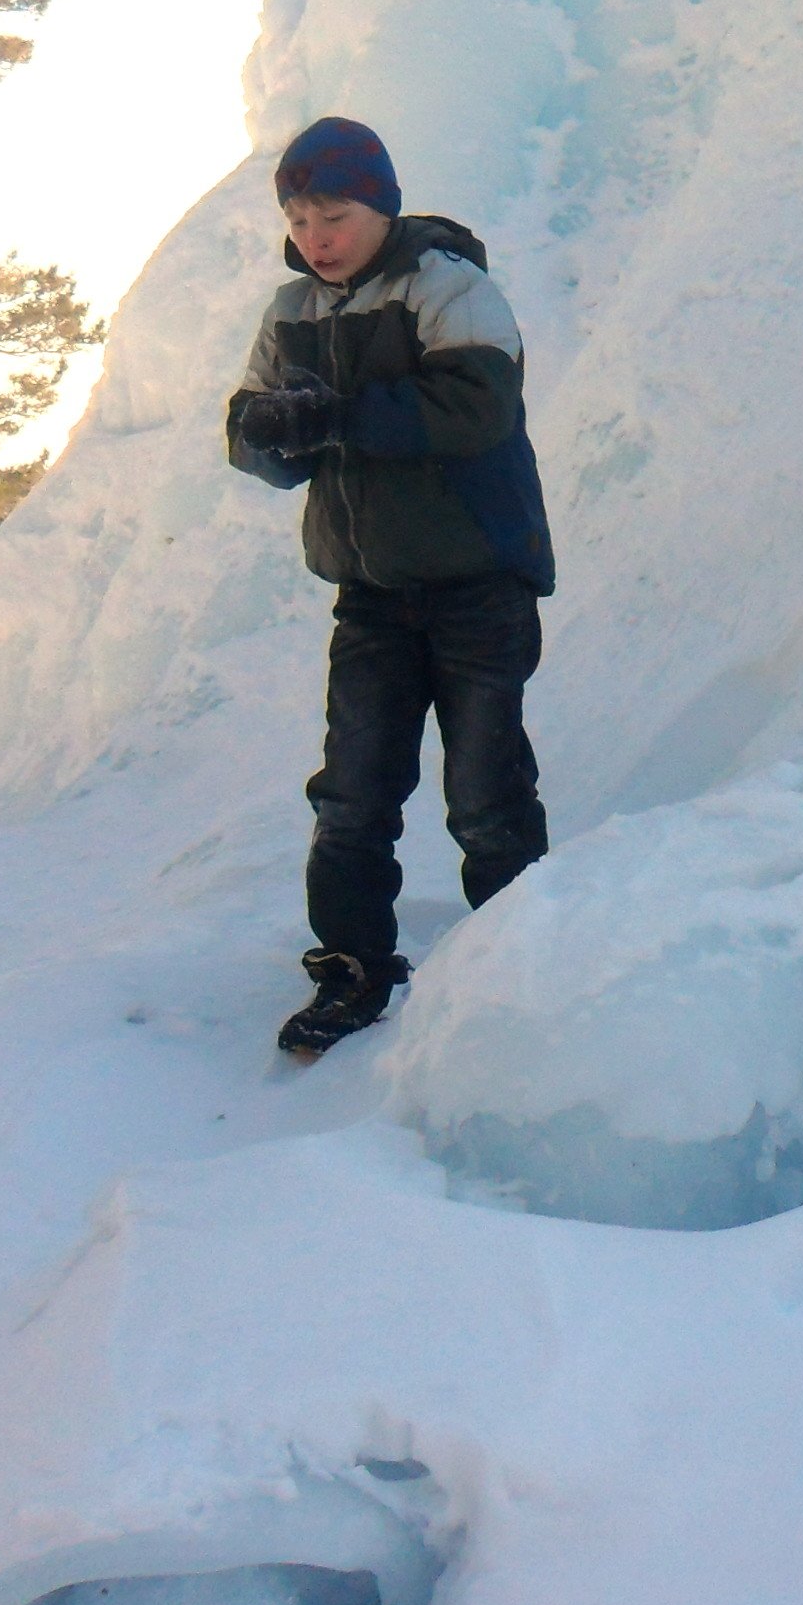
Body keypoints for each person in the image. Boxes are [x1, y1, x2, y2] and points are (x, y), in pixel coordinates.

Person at [227, 116, 557, 1055]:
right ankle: (353, 966)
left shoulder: (448, 285)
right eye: (299, 220)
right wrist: (270, 433)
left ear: (382, 209)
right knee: (353, 793)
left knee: (485, 792)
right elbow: (252, 434)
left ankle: (526, 965)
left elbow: (478, 407)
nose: (315, 237)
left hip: (479, 585)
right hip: (370, 596)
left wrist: (338, 414)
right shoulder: (292, 312)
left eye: (334, 216)